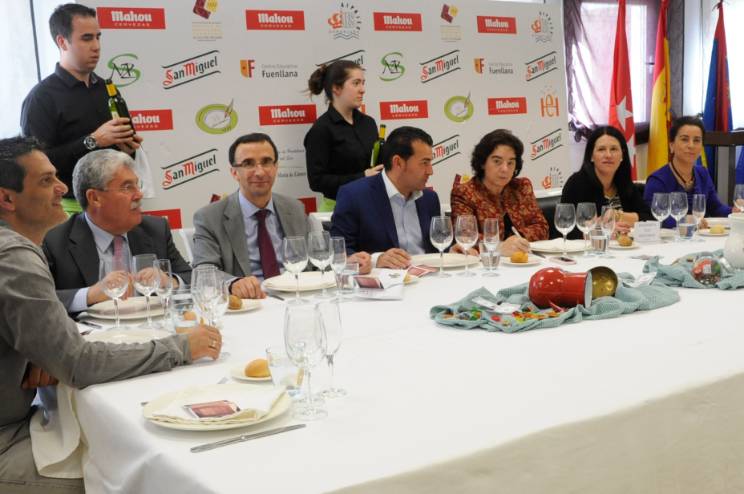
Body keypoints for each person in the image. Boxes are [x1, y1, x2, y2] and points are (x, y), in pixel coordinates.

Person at [0, 136, 220, 493]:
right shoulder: (14, 256)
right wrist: (180, 347)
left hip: (21, 416)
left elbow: (48, 338)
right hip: (8, 438)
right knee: (134, 471)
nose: (62, 188)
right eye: (46, 180)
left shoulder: (16, 248)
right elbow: (79, 363)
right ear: (7, 199)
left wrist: (40, 351)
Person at [192, 133, 372, 300]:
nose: (260, 172)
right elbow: (203, 271)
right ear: (234, 172)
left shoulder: (294, 208)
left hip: (297, 299)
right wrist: (232, 283)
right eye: (248, 164)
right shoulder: (209, 217)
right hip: (250, 304)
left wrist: (345, 262)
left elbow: (314, 263)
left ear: (276, 167)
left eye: (266, 162)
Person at [20, 3, 142, 215]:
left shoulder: (107, 88)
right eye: (86, 38)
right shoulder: (41, 98)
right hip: (69, 208)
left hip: (116, 202)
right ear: (62, 42)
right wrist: (93, 140)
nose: (96, 46)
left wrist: (128, 148)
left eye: (98, 37)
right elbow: (36, 166)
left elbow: (127, 154)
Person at [42, 149, 190, 314]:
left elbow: (191, 278)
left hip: (152, 325)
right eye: (127, 187)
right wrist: (90, 295)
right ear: (94, 198)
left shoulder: (156, 229)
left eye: (137, 185)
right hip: (89, 329)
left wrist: (169, 281)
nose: (139, 194)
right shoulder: (54, 241)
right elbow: (38, 300)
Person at [331, 126, 441, 269]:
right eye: (424, 163)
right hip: (382, 280)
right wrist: (375, 260)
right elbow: (338, 253)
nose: (430, 171)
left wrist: (452, 250)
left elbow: (439, 246)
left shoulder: (430, 199)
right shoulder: (354, 196)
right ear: (398, 162)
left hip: (430, 278)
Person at [451, 129, 548, 256]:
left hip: (522, 260)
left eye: (510, 163)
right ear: (482, 163)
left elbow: (542, 228)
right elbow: (465, 237)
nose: (505, 169)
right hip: (487, 263)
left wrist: (515, 241)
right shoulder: (464, 192)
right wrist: (500, 246)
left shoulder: (521, 187)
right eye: (497, 161)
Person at [304, 60, 383, 211]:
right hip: (337, 209)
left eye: (363, 83)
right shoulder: (321, 129)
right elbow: (316, 181)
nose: (362, 90)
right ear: (336, 88)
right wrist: (362, 177)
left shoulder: (369, 123)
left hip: (370, 205)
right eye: (356, 83)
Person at [644, 115, 738, 228]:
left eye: (697, 140)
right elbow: (652, 217)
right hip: (670, 237)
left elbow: (716, 208)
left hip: (701, 236)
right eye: (684, 139)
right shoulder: (657, 180)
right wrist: (684, 220)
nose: (691, 145)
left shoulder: (703, 173)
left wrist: (734, 211)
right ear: (671, 145)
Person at [561, 125, 651, 237]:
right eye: (601, 149)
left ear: (622, 155)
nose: (608, 155)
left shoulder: (624, 183)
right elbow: (564, 227)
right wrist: (600, 230)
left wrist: (617, 215)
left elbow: (649, 218)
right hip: (590, 247)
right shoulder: (576, 184)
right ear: (591, 156)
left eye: (613, 149)